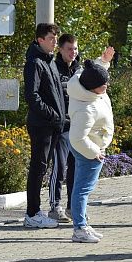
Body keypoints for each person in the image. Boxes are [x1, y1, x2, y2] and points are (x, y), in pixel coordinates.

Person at [68, 48, 115, 243]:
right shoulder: (86, 109)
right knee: (82, 189)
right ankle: (79, 228)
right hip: (90, 150)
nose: (106, 86)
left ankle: (83, 223)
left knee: (82, 188)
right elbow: (77, 138)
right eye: (103, 85)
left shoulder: (83, 84)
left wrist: (102, 61)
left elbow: (87, 72)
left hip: (93, 148)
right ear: (92, 87)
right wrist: (95, 152)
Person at [23, 23, 65, 228]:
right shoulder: (35, 62)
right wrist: (53, 116)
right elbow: (32, 96)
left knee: (43, 168)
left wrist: (60, 118)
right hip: (42, 125)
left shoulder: (51, 62)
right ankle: (32, 213)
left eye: (56, 38)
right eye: (51, 38)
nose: (54, 42)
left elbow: (56, 93)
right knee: (38, 168)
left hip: (53, 125)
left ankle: (36, 212)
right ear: (40, 39)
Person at [47, 34, 79, 223]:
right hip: (60, 126)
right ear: (60, 49)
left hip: (78, 125)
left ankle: (72, 206)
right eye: (69, 49)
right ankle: (54, 206)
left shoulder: (79, 69)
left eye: (75, 49)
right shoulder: (54, 67)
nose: (73, 53)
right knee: (59, 167)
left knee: (76, 168)